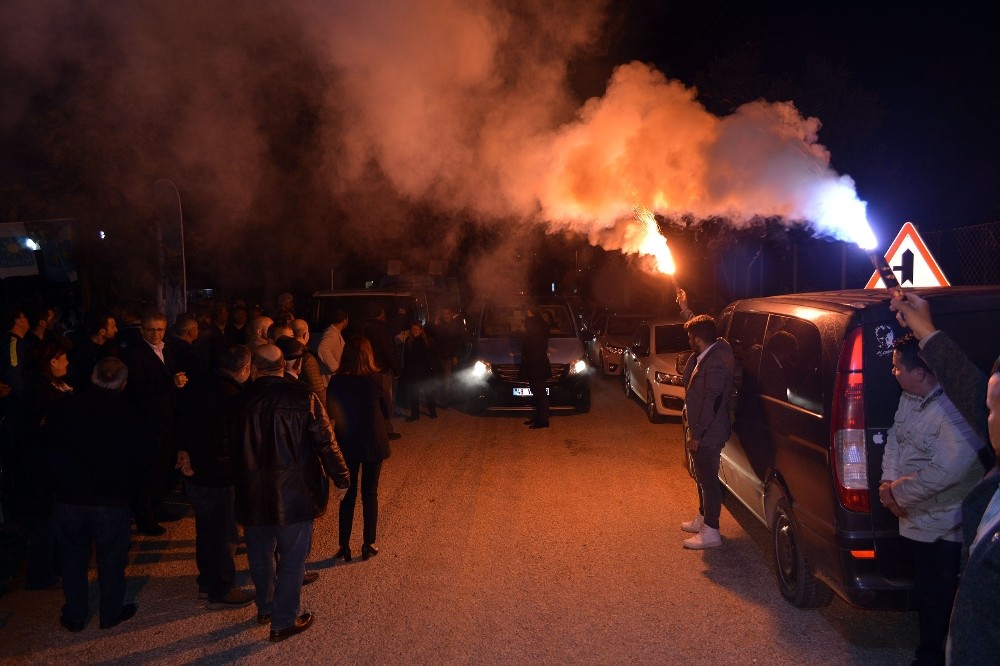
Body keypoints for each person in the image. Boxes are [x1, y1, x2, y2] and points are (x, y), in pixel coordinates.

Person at [229, 344, 350, 642]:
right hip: (293, 495)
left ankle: (266, 608)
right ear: (284, 365)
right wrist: (342, 477)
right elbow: (325, 440)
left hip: (253, 494)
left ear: (254, 368)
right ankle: (283, 621)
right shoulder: (302, 397)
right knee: (293, 558)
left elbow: (226, 449)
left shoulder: (238, 401)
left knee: (259, 555)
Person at [878, 334, 985, 666]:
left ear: (920, 373)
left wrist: (896, 494)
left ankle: (933, 658)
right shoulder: (910, 397)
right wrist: (886, 481)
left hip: (945, 525)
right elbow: (896, 438)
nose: (892, 372)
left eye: (897, 367)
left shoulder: (956, 408)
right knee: (926, 594)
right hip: (914, 517)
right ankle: (929, 652)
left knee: (941, 598)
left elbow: (946, 470)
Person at [43, 357, 153, 631]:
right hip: (110, 499)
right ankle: (110, 612)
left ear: (93, 377)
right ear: (123, 384)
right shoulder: (127, 413)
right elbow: (144, 456)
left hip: (69, 497)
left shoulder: (64, 408)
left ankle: (75, 614)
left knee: (72, 556)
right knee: (112, 556)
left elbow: (45, 449)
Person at [175, 344, 254, 610]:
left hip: (197, 472)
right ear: (244, 368)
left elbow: (182, 422)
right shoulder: (234, 397)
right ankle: (221, 588)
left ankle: (206, 582)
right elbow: (234, 442)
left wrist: (184, 453)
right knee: (225, 534)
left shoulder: (197, 386)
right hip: (221, 475)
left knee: (206, 529)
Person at [122, 310, 188, 536]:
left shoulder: (165, 350)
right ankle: (144, 518)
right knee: (148, 471)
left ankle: (157, 507)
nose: (156, 333)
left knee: (163, 467)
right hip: (148, 422)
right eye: (151, 329)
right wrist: (171, 383)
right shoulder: (135, 354)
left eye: (160, 329)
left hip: (166, 419)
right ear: (142, 330)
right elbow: (137, 390)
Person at [677, 290, 734, 550]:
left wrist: (696, 434)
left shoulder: (716, 363)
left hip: (708, 433)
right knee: (701, 476)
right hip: (703, 430)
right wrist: (684, 307)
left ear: (698, 339)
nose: (688, 338)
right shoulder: (711, 349)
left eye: (690, 336)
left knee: (709, 480)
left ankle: (712, 531)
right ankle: (703, 517)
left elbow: (712, 402)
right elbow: (698, 325)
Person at [326, 335, 391, 562]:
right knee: (370, 492)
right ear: (368, 355)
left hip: (348, 442)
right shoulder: (378, 380)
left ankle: (344, 546)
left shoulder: (336, 381)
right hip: (373, 442)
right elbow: (387, 411)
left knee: (348, 494)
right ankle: (368, 544)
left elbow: (332, 413)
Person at [20, 341, 74, 590]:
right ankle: (43, 573)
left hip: (50, 463)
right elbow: (39, 430)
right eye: (63, 358)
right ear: (52, 361)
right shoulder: (41, 392)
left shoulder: (49, 387)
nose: (67, 363)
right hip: (45, 466)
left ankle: (53, 567)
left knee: (52, 519)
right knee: (46, 520)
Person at [362, 303, 401, 440]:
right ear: (381, 314)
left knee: (371, 401)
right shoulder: (383, 329)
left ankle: (372, 429)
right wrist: (396, 369)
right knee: (385, 401)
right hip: (381, 371)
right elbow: (389, 351)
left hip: (366, 371)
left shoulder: (363, 328)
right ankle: (385, 431)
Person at [66, 309, 118, 391]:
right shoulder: (82, 351)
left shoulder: (109, 347)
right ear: (102, 331)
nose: (116, 330)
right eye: (113, 327)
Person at [397, 321, 436, 420]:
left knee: (429, 392)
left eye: (416, 329)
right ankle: (415, 414)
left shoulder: (425, 341)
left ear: (420, 330)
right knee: (414, 393)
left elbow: (431, 356)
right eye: (412, 329)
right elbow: (406, 357)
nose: (414, 331)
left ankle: (433, 412)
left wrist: (432, 368)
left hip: (425, 371)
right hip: (413, 371)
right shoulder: (408, 341)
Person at [519, 306, 551, 429]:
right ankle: (540, 417)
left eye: (526, 310)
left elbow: (529, 343)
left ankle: (543, 420)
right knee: (538, 392)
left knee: (539, 393)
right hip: (538, 362)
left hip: (535, 363)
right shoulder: (541, 324)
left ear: (530, 311)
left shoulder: (533, 324)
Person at [290, 319, 326, 405]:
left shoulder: (283, 352)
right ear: (305, 335)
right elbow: (317, 389)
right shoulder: (307, 358)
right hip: (304, 405)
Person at [316, 309, 348, 383]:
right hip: (328, 379)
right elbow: (322, 349)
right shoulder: (331, 333)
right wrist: (336, 368)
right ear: (344, 321)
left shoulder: (334, 332)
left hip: (332, 378)